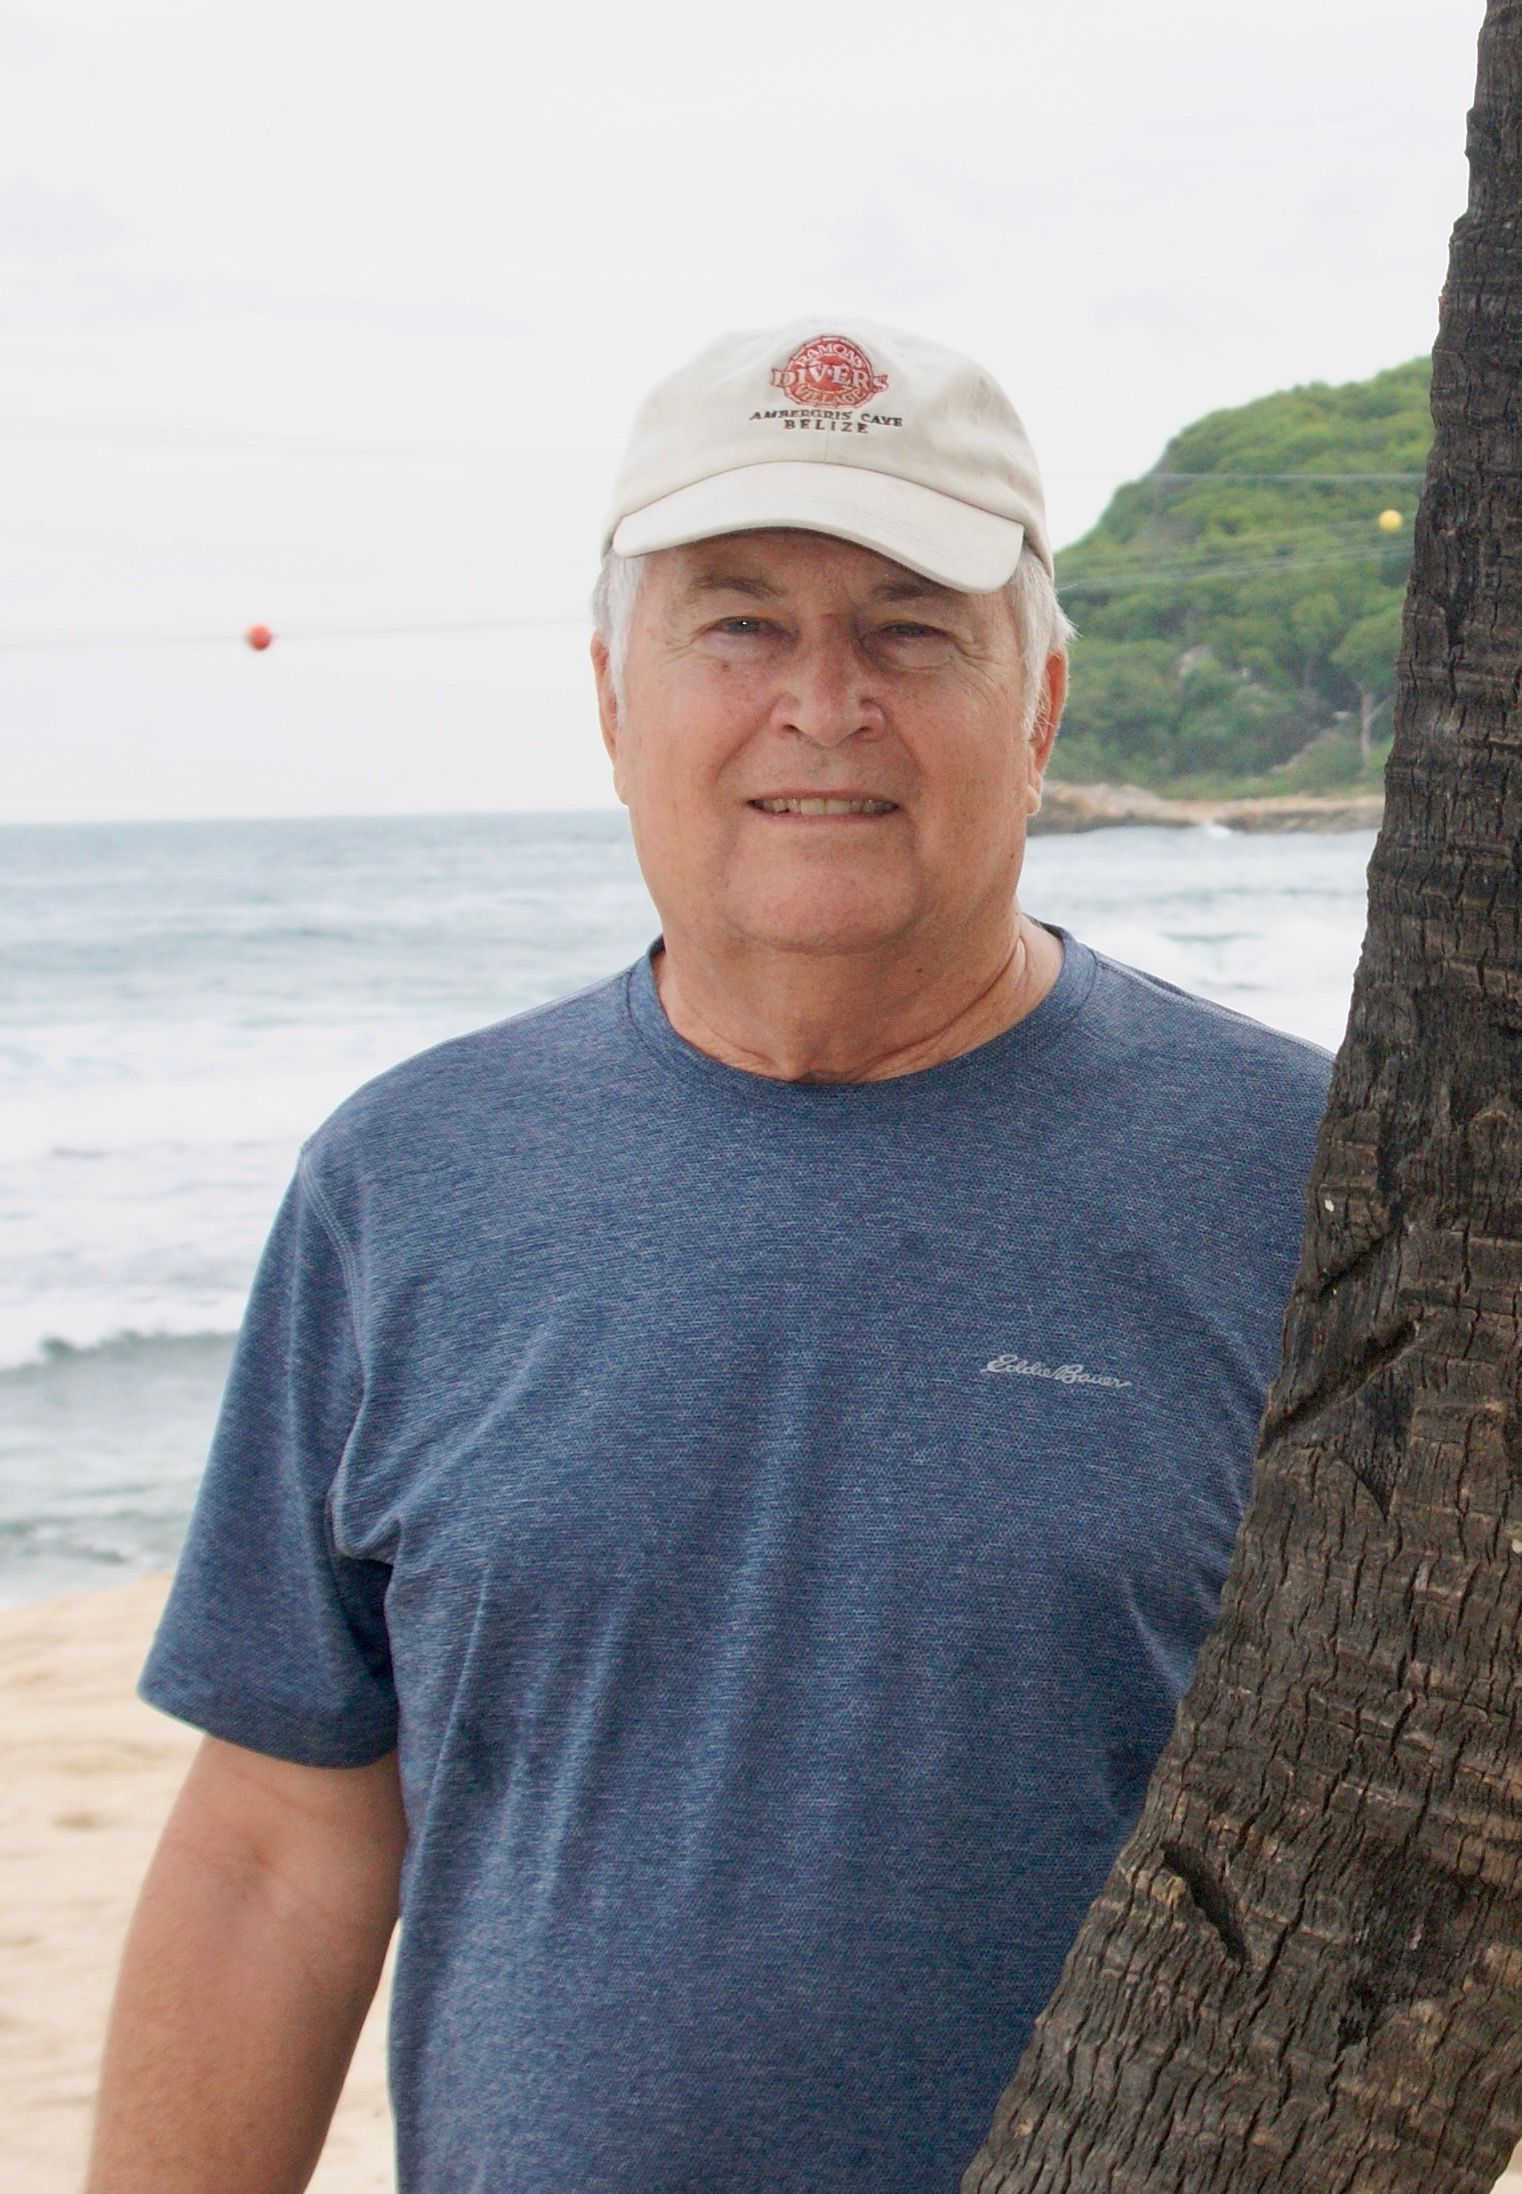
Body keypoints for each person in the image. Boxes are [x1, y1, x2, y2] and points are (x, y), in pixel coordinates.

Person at [88, 319, 1332, 2194]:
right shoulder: (406, 1181)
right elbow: (279, 1837)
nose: (821, 702)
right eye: (737, 623)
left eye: (911, 625)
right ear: (611, 701)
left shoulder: (1303, 1180)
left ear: (1046, 702)